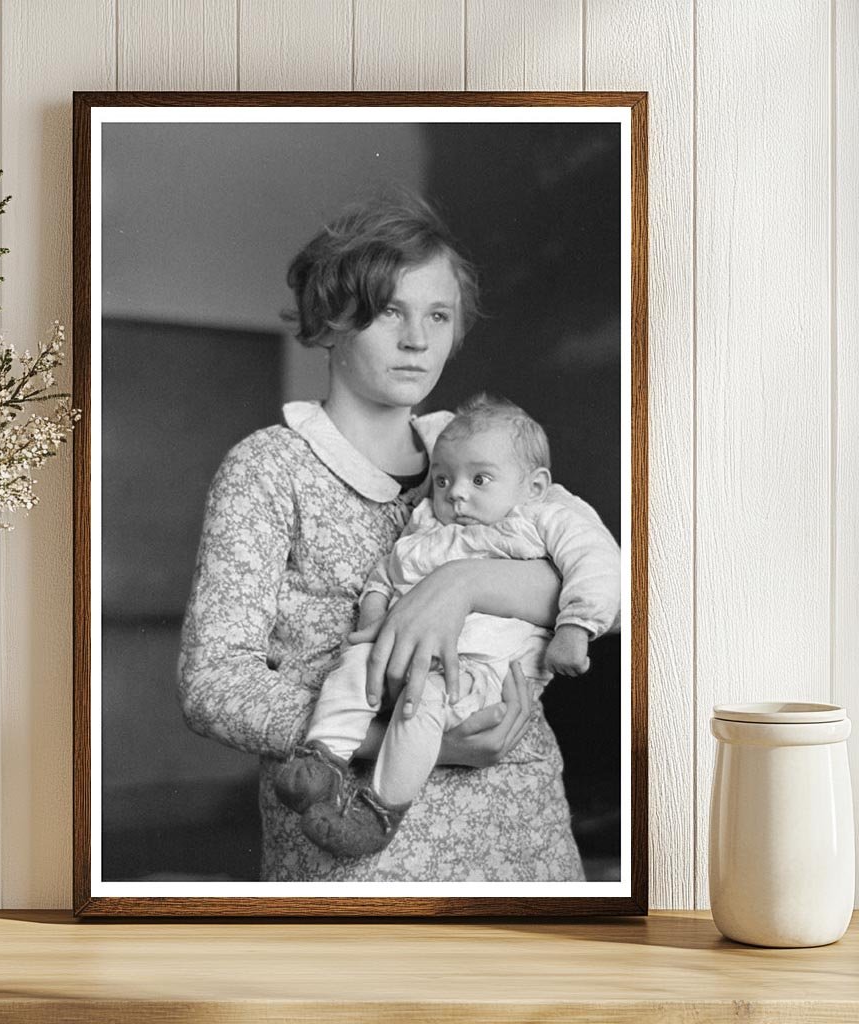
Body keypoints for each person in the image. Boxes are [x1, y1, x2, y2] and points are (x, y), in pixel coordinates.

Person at [178, 194, 611, 882]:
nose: (418, 340)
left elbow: (584, 568)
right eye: (390, 312)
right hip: (363, 854)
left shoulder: (480, 447)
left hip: (524, 831)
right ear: (329, 321)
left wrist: (459, 583)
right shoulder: (269, 468)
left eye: (438, 315)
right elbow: (213, 683)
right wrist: (406, 741)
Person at [274, 394, 621, 858]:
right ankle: (323, 759)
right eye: (442, 479)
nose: (456, 492)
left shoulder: (542, 517)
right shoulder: (429, 527)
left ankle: (378, 810)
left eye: (479, 479)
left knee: (424, 702)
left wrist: (576, 627)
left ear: (533, 485)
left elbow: (599, 565)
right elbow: (388, 572)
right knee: (354, 665)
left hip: (477, 674)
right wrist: (374, 617)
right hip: (400, 654)